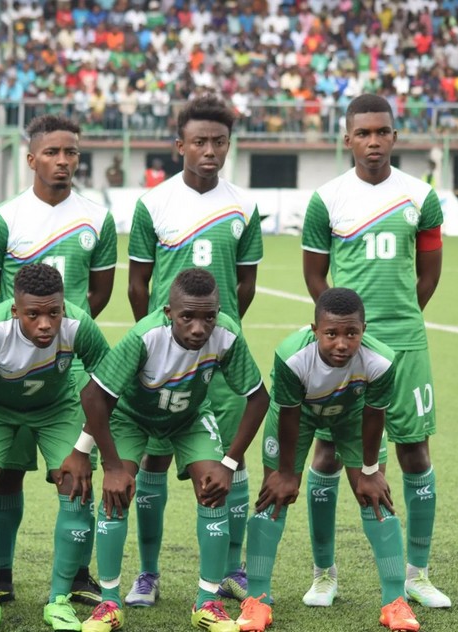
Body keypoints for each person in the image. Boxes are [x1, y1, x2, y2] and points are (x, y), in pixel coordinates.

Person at [301, 93, 448, 609]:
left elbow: (428, 274)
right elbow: (315, 275)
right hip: (346, 348)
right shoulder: (327, 199)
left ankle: (418, 574)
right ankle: (324, 574)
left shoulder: (421, 196)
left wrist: (396, 324)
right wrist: (343, 336)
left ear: (394, 136)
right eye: (362, 133)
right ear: (347, 138)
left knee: (414, 451)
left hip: (405, 341)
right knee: (325, 453)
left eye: (381, 132)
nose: (373, 142)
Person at [73, 268, 268, 632]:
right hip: (133, 418)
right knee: (116, 493)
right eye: (187, 317)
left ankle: (207, 602)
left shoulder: (226, 334)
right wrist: (110, 464)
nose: (198, 328)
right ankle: (110, 604)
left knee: (213, 491)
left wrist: (229, 462)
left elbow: (258, 398)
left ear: (218, 312)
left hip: (189, 417)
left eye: (208, 316)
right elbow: (94, 396)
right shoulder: (144, 336)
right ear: (168, 312)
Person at [0, 114, 117, 606]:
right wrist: (24, 337)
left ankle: (77, 574)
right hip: (12, 364)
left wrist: (61, 336)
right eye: (52, 152)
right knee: (6, 473)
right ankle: (1, 573)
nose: (63, 161)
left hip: (69, 364)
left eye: (71, 152)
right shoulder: (3, 219)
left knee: (76, 471)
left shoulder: (97, 218)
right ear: (31, 158)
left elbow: (100, 293)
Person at [125, 95, 263, 607]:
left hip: (220, 355)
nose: (210, 150)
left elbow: (246, 284)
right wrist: (156, 340)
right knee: (154, 462)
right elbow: (139, 284)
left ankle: (232, 567)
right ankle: (148, 573)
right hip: (164, 359)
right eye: (199, 141)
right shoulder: (154, 204)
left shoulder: (244, 205)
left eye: (219, 142)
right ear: (180, 145)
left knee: (234, 457)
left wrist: (223, 335)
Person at [237, 288, 421, 632]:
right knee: (274, 495)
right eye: (331, 334)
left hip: (352, 417)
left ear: (363, 330)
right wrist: (287, 472)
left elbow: (374, 414)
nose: (341, 343)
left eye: (351, 333)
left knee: (375, 497)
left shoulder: (381, 360)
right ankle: (257, 599)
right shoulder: (292, 356)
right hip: (299, 415)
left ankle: (395, 602)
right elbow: (289, 415)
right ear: (315, 329)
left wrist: (369, 471)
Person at [0, 263, 111, 632]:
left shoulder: (79, 325)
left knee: (75, 485)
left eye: (54, 312)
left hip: (57, 406)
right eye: (33, 314)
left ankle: (60, 600)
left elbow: (107, 383)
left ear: (64, 307)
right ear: (15, 309)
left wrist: (82, 449)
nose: (45, 324)